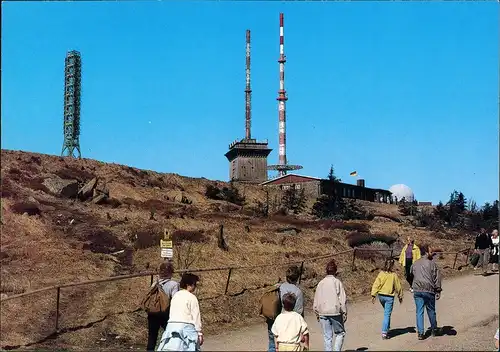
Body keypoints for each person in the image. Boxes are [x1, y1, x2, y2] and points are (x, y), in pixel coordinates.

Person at [157, 273, 203, 351]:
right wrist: (199, 333)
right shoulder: (192, 297)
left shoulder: (175, 296)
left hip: (171, 327)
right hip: (186, 328)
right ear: (189, 285)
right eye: (194, 284)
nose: (195, 287)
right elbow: (196, 316)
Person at [267, 265, 304, 352]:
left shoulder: (277, 287)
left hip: (272, 318)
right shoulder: (297, 292)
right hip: (287, 324)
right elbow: (298, 311)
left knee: (272, 345)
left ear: (286, 277)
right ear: (297, 278)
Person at [313, 259, 347, 352]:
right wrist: (344, 312)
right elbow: (342, 299)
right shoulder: (337, 282)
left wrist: (316, 312)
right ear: (335, 271)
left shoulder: (321, 283)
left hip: (322, 312)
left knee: (327, 337)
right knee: (340, 333)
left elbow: (316, 299)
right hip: (335, 311)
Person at [147, 262, 180, 351]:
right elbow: (175, 300)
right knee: (170, 334)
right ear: (171, 272)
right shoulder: (174, 284)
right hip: (165, 313)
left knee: (152, 336)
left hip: (153, 312)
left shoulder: (154, 283)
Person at [411, 247, 442, 340]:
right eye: (430, 252)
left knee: (419, 311)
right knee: (431, 310)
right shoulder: (432, 264)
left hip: (417, 290)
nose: (432, 253)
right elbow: (437, 278)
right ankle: (434, 329)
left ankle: (420, 333)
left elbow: (410, 273)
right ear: (426, 253)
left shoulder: (415, 263)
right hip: (428, 289)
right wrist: (438, 290)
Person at [370, 258, 404, 340]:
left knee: (386, 312)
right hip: (389, 297)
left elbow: (376, 284)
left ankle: (387, 327)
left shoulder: (381, 274)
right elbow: (398, 286)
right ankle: (384, 332)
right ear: (392, 266)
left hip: (381, 296)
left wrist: (373, 294)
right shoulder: (394, 275)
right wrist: (400, 296)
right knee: (387, 314)